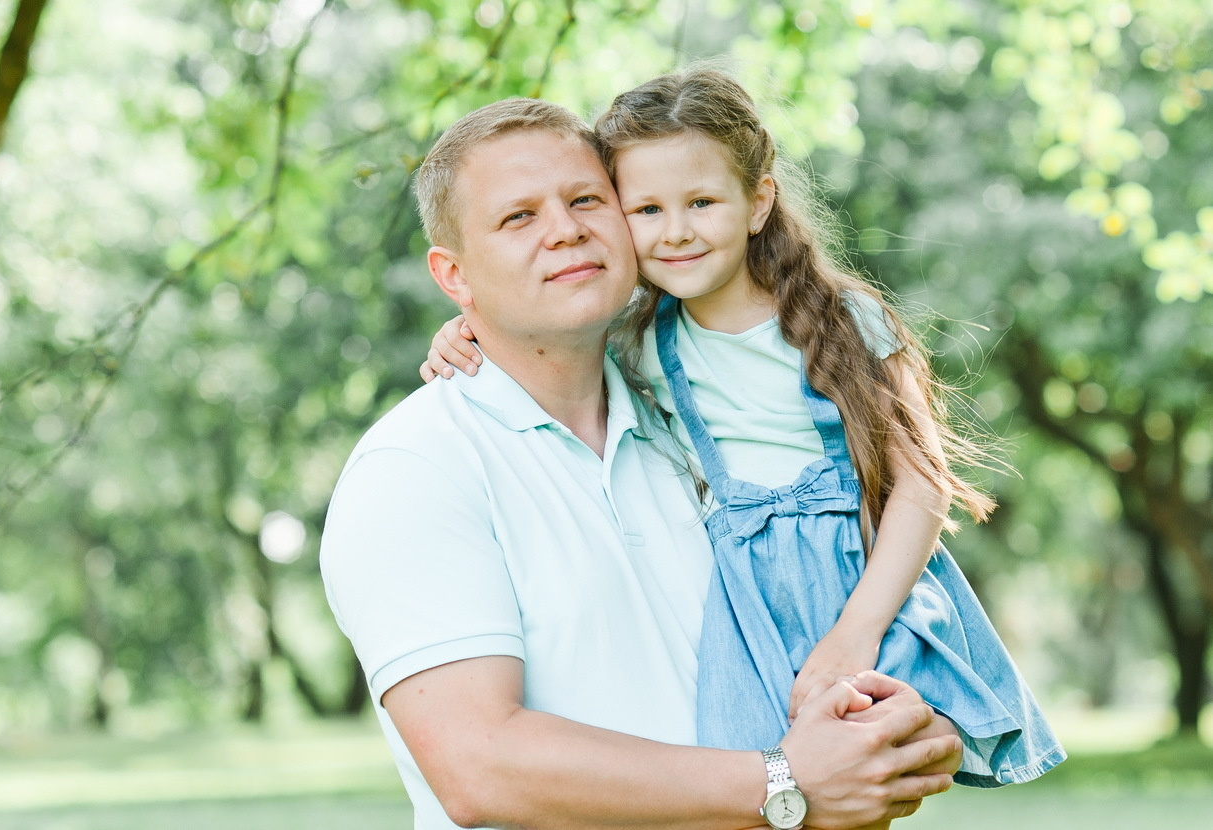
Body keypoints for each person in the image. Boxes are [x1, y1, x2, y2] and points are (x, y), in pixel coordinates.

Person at [321, 94, 962, 830]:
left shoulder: (687, 425)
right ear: (454, 278)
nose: (565, 230)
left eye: (587, 199)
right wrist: (784, 783)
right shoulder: (416, 469)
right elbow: (479, 767)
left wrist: (885, 737)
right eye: (518, 217)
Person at [421, 68, 1066, 788]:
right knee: (764, 787)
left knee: (881, 765)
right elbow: (537, 331)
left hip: (861, 589)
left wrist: (856, 633)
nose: (677, 232)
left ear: (758, 202)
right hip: (747, 606)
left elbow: (921, 487)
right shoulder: (640, 344)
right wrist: (465, 329)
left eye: (702, 202)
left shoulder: (844, 322)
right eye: (646, 210)